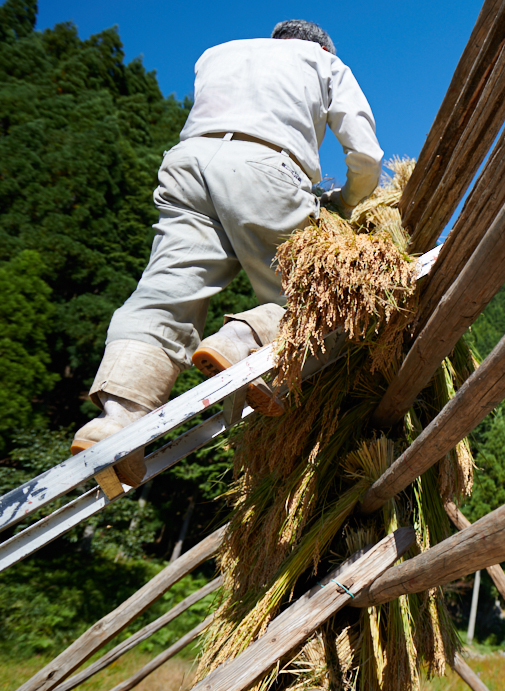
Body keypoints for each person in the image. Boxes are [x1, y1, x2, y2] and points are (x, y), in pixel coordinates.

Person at [71, 20, 383, 485]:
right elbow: (365, 153)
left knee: (165, 295)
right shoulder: (324, 61)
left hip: (186, 166)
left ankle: (117, 419)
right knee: (323, 292)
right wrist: (347, 202)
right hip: (266, 165)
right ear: (319, 46)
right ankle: (242, 342)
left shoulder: (217, 53)